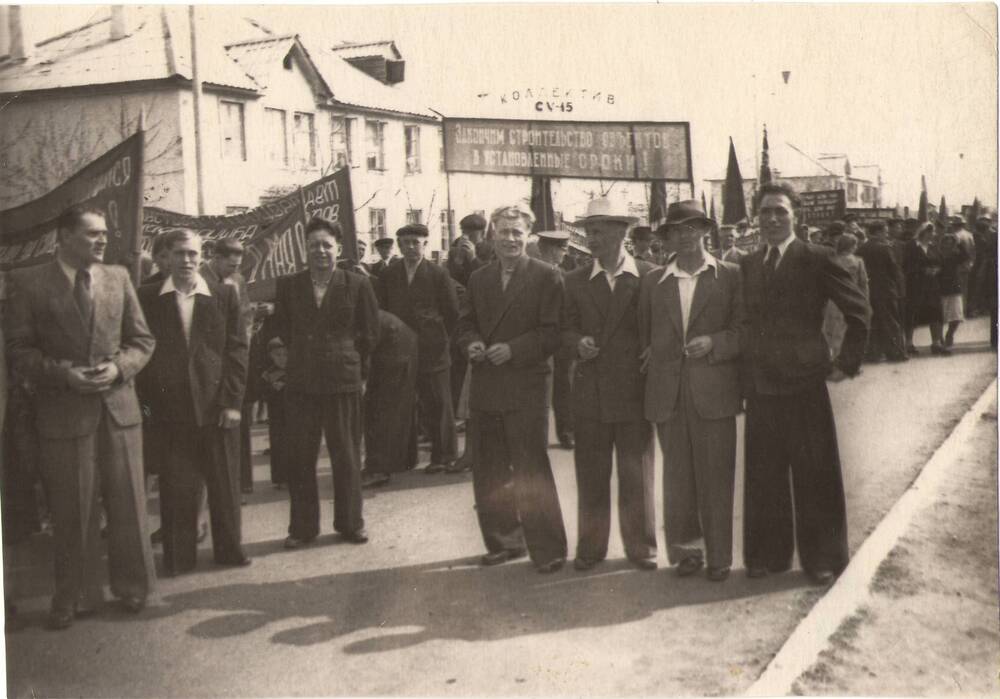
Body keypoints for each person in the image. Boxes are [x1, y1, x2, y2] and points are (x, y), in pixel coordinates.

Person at [5, 204, 157, 629]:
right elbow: (17, 351)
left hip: (119, 409)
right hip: (63, 411)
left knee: (128, 503)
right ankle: (74, 595)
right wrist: (65, 375)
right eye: (93, 233)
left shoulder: (119, 278)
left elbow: (142, 340)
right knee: (73, 509)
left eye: (104, 233)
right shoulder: (27, 282)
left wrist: (119, 368)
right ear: (64, 237)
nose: (103, 240)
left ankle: (133, 588)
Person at [740, 183, 870, 586]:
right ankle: (768, 555)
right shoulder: (749, 264)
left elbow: (859, 311)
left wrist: (845, 363)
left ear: (797, 215)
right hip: (762, 387)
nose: (773, 219)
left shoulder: (817, 258)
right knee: (765, 474)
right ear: (755, 217)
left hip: (805, 384)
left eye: (780, 211)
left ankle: (822, 558)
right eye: (765, 212)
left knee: (816, 474)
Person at [456, 203, 568, 573]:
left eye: (517, 232)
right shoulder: (479, 279)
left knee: (530, 468)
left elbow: (553, 334)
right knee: (489, 468)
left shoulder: (547, 276)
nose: (510, 239)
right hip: (487, 384)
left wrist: (514, 349)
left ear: (529, 236)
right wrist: (471, 342)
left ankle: (548, 549)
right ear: (492, 234)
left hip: (527, 387)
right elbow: (466, 323)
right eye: (503, 231)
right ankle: (503, 542)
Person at [136, 230, 251, 576]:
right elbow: (143, 354)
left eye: (193, 254)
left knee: (224, 485)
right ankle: (179, 557)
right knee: (176, 486)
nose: (187, 260)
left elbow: (237, 351)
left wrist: (232, 402)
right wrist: (148, 409)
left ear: (202, 257)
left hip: (217, 407)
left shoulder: (222, 295)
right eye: (179, 253)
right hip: (172, 412)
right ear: (166, 257)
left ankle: (230, 550)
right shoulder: (147, 297)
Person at [639, 201, 742, 581]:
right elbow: (644, 333)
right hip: (668, 393)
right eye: (675, 231)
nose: (683, 237)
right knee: (678, 479)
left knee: (715, 476)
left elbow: (743, 330)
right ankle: (686, 552)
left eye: (690, 228)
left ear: (704, 231)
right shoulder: (653, 281)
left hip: (713, 392)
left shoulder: (730, 275)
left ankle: (719, 557)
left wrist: (715, 342)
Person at [563, 199, 657, 572]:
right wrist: (576, 344)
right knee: (591, 473)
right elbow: (562, 330)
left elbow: (662, 327)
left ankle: (641, 547)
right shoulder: (573, 281)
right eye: (589, 230)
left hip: (634, 392)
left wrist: (654, 347)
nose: (592, 238)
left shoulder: (649, 276)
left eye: (600, 230)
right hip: (590, 393)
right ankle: (591, 547)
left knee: (636, 474)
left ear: (622, 232)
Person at [274, 216, 379, 549]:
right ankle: (303, 528)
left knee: (346, 454)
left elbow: (370, 333)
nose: (320, 251)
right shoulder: (289, 285)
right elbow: (281, 329)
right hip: (302, 382)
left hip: (343, 381)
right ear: (305, 249)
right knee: (301, 456)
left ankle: (351, 523)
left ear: (339, 249)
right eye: (313, 245)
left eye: (326, 245)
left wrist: (356, 369)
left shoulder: (357, 284)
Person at [376, 223, 459, 474]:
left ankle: (444, 455)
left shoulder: (438, 274)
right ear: (399, 245)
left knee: (438, 403)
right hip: (399, 349)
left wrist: (442, 339)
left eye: (416, 242)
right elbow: (383, 309)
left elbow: (452, 312)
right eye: (406, 242)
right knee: (402, 403)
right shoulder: (389, 274)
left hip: (432, 349)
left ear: (425, 244)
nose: (411, 247)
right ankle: (404, 457)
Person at [200, 238, 255, 494]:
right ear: (215, 257)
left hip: (232, 360)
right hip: (206, 362)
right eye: (229, 264)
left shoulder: (238, 280)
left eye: (237, 265)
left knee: (235, 425)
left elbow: (244, 317)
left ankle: (238, 486)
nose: (233, 269)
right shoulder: (200, 279)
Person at [361, 310, 419, 488]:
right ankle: (404, 460)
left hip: (394, 347)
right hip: (399, 339)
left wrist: (362, 379)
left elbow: (360, 348)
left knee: (381, 408)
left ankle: (379, 470)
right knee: (395, 405)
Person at [535, 230, 575, 449]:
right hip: (553, 338)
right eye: (562, 248)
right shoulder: (552, 274)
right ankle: (566, 432)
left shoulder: (554, 272)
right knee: (562, 386)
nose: (565, 252)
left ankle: (566, 431)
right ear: (550, 249)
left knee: (562, 385)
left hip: (556, 339)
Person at [857, 221, 906, 362]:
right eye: (885, 231)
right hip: (886, 290)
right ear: (877, 232)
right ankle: (895, 352)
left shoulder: (862, 249)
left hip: (868, 290)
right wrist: (901, 288)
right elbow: (894, 270)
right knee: (891, 321)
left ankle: (874, 352)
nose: (887, 234)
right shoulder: (885, 248)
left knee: (874, 321)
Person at [904, 222, 949, 355]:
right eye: (930, 232)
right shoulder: (911, 246)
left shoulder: (933, 247)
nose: (932, 235)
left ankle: (936, 343)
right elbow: (905, 265)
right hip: (915, 285)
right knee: (912, 313)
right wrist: (922, 271)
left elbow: (941, 262)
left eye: (933, 232)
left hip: (932, 285)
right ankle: (908, 343)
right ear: (923, 232)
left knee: (934, 312)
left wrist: (937, 270)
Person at [823, 233, 869, 361]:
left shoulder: (831, 259)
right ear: (852, 246)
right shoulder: (858, 261)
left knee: (831, 328)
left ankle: (831, 358)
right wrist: (865, 300)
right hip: (852, 299)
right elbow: (863, 283)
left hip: (832, 299)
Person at [261, 338, 289, 488]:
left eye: (285, 354)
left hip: (293, 414)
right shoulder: (268, 374)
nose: (282, 358)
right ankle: (281, 478)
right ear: (271, 356)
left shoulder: (295, 372)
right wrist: (272, 389)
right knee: (278, 446)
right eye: (278, 355)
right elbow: (263, 393)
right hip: (276, 415)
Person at [937, 233, 968, 348]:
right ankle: (939, 338)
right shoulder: (937, 254)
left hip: (954, 287)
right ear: (942, 243)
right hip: (940, 287)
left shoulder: (956, 255)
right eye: (946, 242)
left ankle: (949, 335)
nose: (948, 245)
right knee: (939, 316)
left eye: (951, 242)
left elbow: (965, 256)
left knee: (956, 316)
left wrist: (959, 242)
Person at [447, 213, 489, 288]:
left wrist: (473, 259)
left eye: (472, 235)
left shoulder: (491, 249)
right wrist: (459, 259)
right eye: (464, 233)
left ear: (482, 234)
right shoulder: (455, 248)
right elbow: (449, 279)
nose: (466, 238)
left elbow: (488, 277)